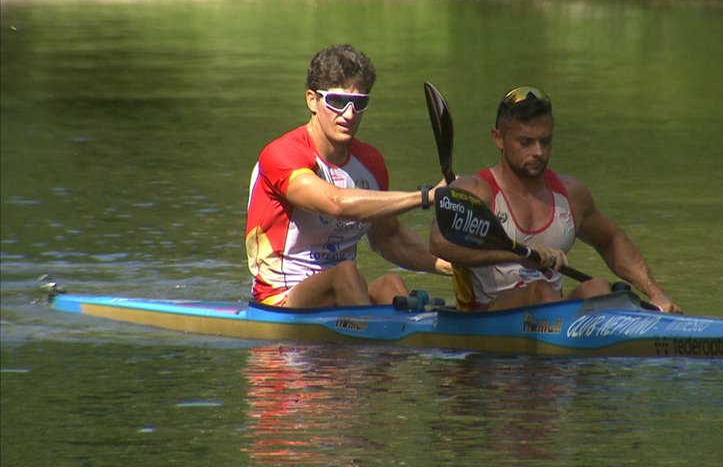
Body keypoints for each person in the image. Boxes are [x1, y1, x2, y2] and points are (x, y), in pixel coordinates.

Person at [429, 86, 681, 314]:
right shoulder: (476, 190)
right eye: (526, 142)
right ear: (498, 139)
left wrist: (655, 293)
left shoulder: (571, 195)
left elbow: (612, 240)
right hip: (486, 315)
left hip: (551, 311)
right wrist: (517, 256)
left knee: (598, 288)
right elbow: (439, 243)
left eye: (545, 141)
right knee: (540, 290)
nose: (538, 152)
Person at [246, 44, 451, 308]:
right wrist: (427, 196)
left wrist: (455, 266)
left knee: (390, 285)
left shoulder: (371, 162)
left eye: (359, 103)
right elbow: (337, 204)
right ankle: (376, 342)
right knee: (345, 273)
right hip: (281, 298)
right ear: (312, 100)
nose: (350, 114)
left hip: (345, 290)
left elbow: (389, 238)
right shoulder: (281, 154)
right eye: (338, 101)